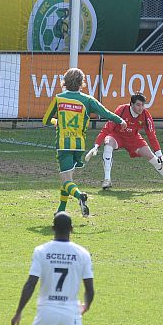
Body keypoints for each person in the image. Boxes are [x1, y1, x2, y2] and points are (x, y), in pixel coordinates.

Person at [11, 212, 94, 325]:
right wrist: (85, 306)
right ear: (72, 229)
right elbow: (90, 289)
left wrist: (19, 311)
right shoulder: (82, 254)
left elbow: (30, 284)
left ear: (52, 228)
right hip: (70, 312)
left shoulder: (42, 251)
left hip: (46, 310)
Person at [42, 67, 125, 215]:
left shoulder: (59, 98)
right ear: (82, 83)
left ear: (65, 82)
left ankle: (80, 196)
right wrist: (121, 121)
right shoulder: (88, 100)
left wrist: (57, 122)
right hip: (79, 146)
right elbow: (106, 113)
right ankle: (61, 209)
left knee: (65, 179)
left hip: (63, 145)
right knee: (68, 178)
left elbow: (45, 120)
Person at [85, 92, 163, 191]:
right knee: (108, 143)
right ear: (131, 104)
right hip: (117, 136)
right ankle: (107, 180)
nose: (141, 108)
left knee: (153, 158)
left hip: (134, 138)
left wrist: (161, 158)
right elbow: (107, 128)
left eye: (143, 105)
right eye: (138, 105)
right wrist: (96, 145)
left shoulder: (145, 115)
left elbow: (152, 136)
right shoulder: (121, 110)